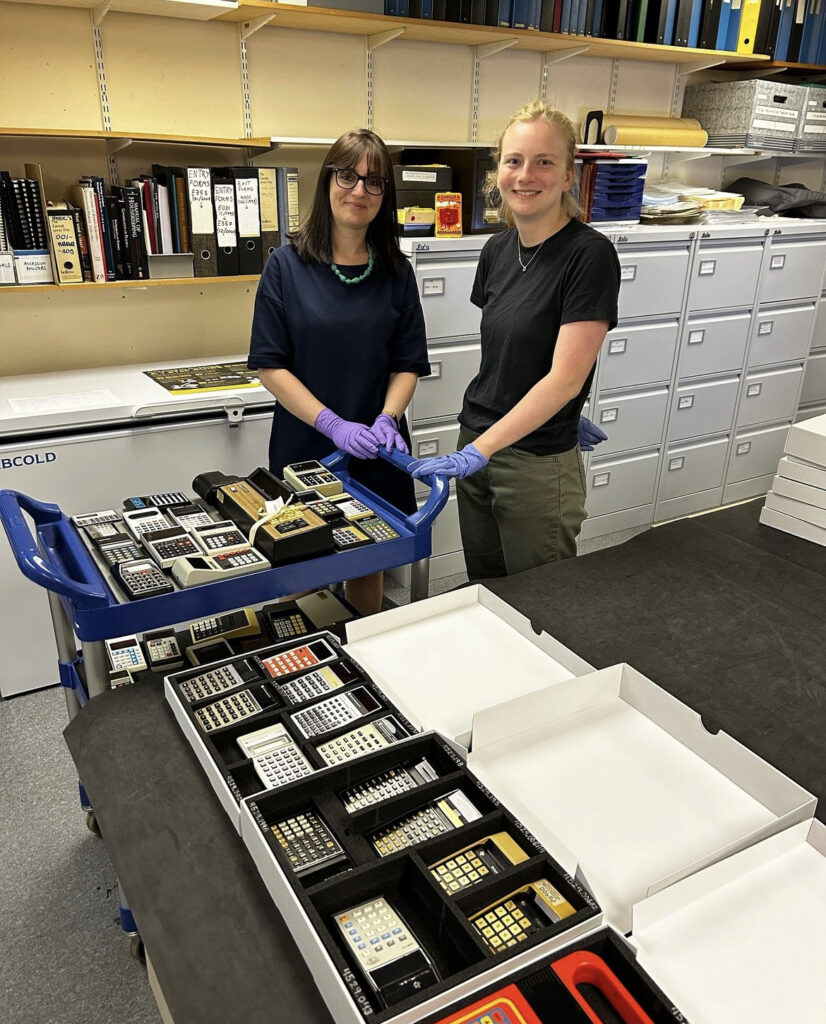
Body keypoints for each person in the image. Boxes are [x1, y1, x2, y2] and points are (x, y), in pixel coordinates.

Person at [410, 100, 621, 580]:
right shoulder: (497, 249)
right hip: (478, 440)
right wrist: (479, 447)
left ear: (568, 175)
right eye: (514, 160)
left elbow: (565, 380)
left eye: (545, 162)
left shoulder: (589, 256)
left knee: (542, 603)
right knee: (484, 588)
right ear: (498, 172)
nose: (526, 175)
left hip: (535, 462)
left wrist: (559, 412)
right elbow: (509, 352)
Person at [248, 129, 431, 615]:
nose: (359, 191)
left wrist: (388, 418)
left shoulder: (396, 271)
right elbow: (269, 364)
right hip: (307, 445)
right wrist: (331, 424)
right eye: (347, 176)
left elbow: (408, 363)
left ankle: (361, 662)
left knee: (368, 563)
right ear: (327, 181)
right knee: (298, 564)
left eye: (374, 182)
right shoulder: (285, 267)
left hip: (376, 447)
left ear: (385, 196)